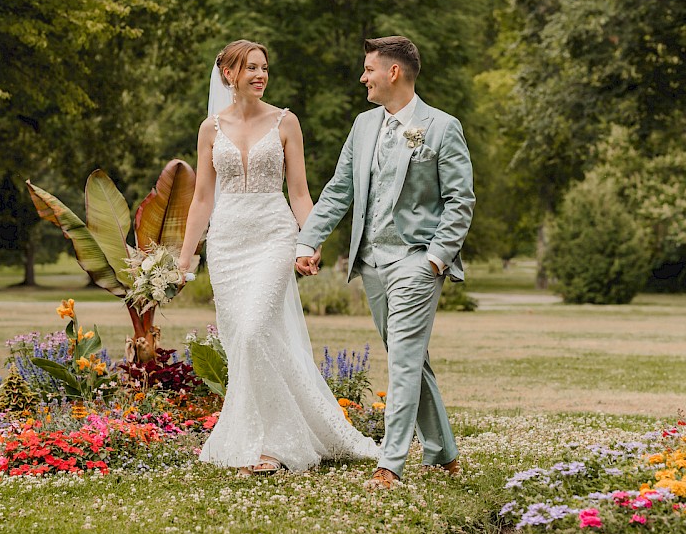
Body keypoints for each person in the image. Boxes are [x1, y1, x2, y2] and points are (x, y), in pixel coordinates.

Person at [178, 39, 379, 475]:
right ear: (228, 73)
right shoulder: (209, 129)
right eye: (250, 67)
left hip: (273, 236)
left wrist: (310, 241)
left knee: (252, 332)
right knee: (247, 342)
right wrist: (184, 259)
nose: (260, 75)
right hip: (228, 243)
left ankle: (277, 445)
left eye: (264, 67)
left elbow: (301, 192)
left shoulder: (286, 122)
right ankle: (267, 434)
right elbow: (201, 198)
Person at [295, 36, 475, 491]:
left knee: (403, 364)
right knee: (410, 360)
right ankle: (443, 455)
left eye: (369, 69)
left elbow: (460, 201)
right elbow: (339, 189)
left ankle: (390, 465)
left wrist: (435, 259)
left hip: (416, 262)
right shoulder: (362, 125)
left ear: (393, 72)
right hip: (373, 263)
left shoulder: (441, 127)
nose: (363, 77)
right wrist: (308, 239)